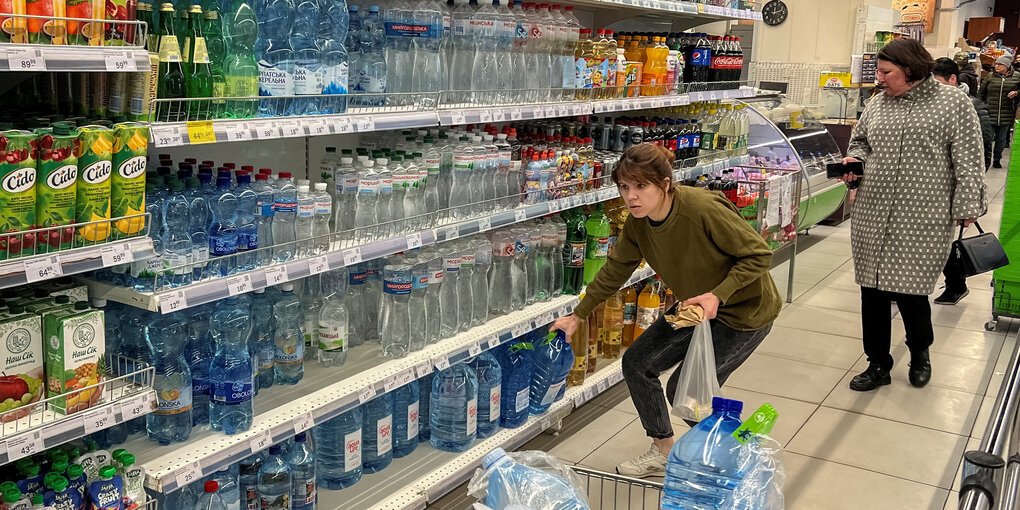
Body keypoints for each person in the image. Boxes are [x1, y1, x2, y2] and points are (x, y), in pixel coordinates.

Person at [548, 143, 781, 477]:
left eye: (641, 186)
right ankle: (664, 450)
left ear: (665, 184)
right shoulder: (638, 224)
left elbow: (759, 255)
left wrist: (719, 294)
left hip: (745, 313)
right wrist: (578, 314)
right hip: (694, 308)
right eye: (624, 187)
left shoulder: (702, 209)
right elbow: (615, 269)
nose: (631, 196)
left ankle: (738, 452)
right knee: (638, 363)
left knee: (687, 393)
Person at [839, 38, 987, 392]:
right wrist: (852, 162)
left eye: (886, 72)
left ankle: (920, 352)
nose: (880, 78)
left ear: (909, 70)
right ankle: (877, 363)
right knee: (871, 290)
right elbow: (860, 143)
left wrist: (968, 206)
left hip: (924, 215)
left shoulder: (953, 103)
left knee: (911, 290)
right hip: (873, 211)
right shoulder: (877, 104)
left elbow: (968, 158)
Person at [931, 57, 994, 305]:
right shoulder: (931, 107)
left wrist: (971, 191)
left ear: (952, 79)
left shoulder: (972, 106)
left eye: (937, 83)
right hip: (934, 187)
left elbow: (982, 149)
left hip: (959, 186)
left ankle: (957, 285)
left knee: (949, 242)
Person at [978, 54, 1020, 168]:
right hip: (990, 111)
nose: (997, 66)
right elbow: (981, 93)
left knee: (1001, 139)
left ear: (1007, 66)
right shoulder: (990, 77)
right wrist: (980, 106)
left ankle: (997, 159)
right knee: (987, 138)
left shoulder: (1017, 77)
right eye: (996, 64)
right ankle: (985, 159)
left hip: (1007, 112)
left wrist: (1017, 93)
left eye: (1000, 64)